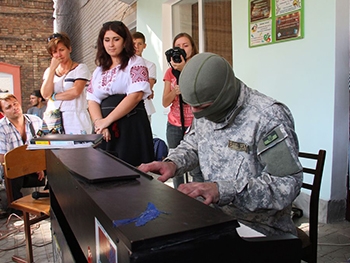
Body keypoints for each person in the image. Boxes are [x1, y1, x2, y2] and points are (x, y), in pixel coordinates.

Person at [139, 52, 303, 236]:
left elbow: (287, 184)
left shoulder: (267, 116)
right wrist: (172, 163)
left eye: (202, 107)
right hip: (215, 218)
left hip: (262, 230)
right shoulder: (203, 105)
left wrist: (222, 190)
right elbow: (192, 145)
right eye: (191, 105)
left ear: (223, 95)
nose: (196, 112)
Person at [87, 21, 154, 167]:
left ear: (125, 41)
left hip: (130, 125)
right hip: (104, 130)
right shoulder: (99, 70)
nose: (111, 44)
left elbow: (135, 95)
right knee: (104, 171)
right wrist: (100, 123)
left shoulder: (136, 62)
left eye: (116, 39)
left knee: (133, 174)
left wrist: (108, 120)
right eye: (107, 40)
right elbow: (92, 99)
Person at [162, 32, 203, 189]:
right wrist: (174, 92)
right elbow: (165, 102)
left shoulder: (199, 67)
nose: (182, 49)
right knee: (176, 166)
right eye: (178, 46)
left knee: (197, 167)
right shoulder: (170, 72)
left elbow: (200, 94)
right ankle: (179, 198)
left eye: (185, 45)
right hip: (174, 124)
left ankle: (199, 202)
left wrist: (185, 68)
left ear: (192, 48)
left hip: (195, 124)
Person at [41, 32, 92, 134]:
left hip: (75, 118)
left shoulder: (80, 68)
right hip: (53, 119)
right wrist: (52, 70)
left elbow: (75, 92)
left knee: (78, 147)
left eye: (61, 50)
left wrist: (54, 97)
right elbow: (45, 94)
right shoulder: (49, 71)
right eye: (55, 52)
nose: (59, 55)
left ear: (69, 49)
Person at [0, 94, 44, 204]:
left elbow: (44, 146)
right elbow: (3, 159)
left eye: (15, 104)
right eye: (8, 107)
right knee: (11, 174)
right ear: (3, 113)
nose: (14, 107)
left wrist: (39, 165)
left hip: (36, 163)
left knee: (55, 167)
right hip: (14, 167)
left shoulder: (36, 121)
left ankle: (52, 205)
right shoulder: (1, 127)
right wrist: (30, 166)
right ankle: (17, 211)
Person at [132, 31, 157, 123]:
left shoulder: (150, 65)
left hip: (145, 108)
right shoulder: (124, 64)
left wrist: (148, 91)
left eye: (139, 44)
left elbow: (147, 88)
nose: (136, 46)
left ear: (144, 46)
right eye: (134, 44)